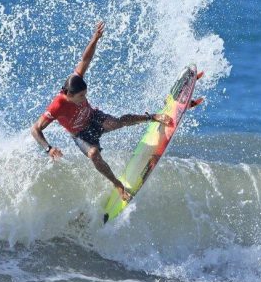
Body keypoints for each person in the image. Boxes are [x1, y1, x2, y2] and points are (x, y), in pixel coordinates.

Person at [31, 21, 201, 201]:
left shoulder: (75, 80)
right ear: (68, 94)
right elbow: (35, 129)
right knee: (94, 155)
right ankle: (117, 185)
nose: (83, 99)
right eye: (80, 97)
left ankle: (152, 117)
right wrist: (48, 148)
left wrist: (95, 38)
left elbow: (85, 60)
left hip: (93, 118)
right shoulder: (57, 105)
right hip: (80, 134)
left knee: (118, 122)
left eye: (85, 95)